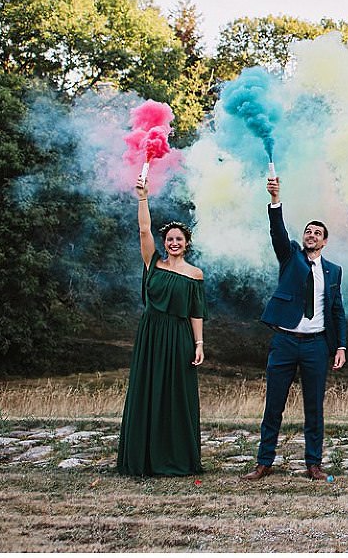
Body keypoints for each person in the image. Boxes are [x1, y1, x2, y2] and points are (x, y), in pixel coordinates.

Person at [243, 175, 347, 482]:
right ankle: (264, 462)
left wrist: (340, 346)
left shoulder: (334, 271)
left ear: (325, 241)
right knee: (274, 404)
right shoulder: (291, 257)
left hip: (316, 345)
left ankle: (313, 464)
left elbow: (337, 311)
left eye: (317, 232)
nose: (311, 235)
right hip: (285, 341)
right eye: (308, 231)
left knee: (314, 408)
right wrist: (275, 200)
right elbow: (277, 232)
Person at [117, 176, 206, 476]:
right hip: (151, 334)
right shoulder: (152, 263)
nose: (174, 242)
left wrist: (199, 344)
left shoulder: (195, 274)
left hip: (179, 337)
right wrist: (143, 197)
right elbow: (143, 229)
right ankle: (145, 458)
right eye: (170, 238)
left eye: (179, 239)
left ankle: (176, 457)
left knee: (176, 397)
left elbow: (196, 312)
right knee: (147, 391)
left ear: (187, 244)